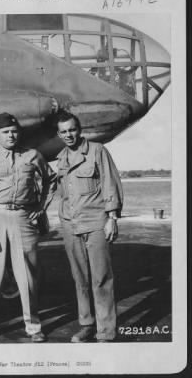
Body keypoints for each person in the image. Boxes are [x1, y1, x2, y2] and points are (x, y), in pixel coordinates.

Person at [0, 112, 56, 343]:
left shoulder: (32, 156)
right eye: (6, 132)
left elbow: (51, 180)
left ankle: (33, 327)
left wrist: (41, 205)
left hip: (23, 218)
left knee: (28, 276)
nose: (11, 135)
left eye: (14, 131)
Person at [56, 111, 123, 343]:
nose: (68, 135)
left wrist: (112, 218)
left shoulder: (97, 151)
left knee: (101, 278)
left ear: (79, 129)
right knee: (80, 278)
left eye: (72, 130)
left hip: (95, 222)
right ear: (59, 134)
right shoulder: (61, 157)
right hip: (70, 225)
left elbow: (110, 183)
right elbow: (62, 193)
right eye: (63, 132)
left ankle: (106, 331)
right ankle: (86, 324)